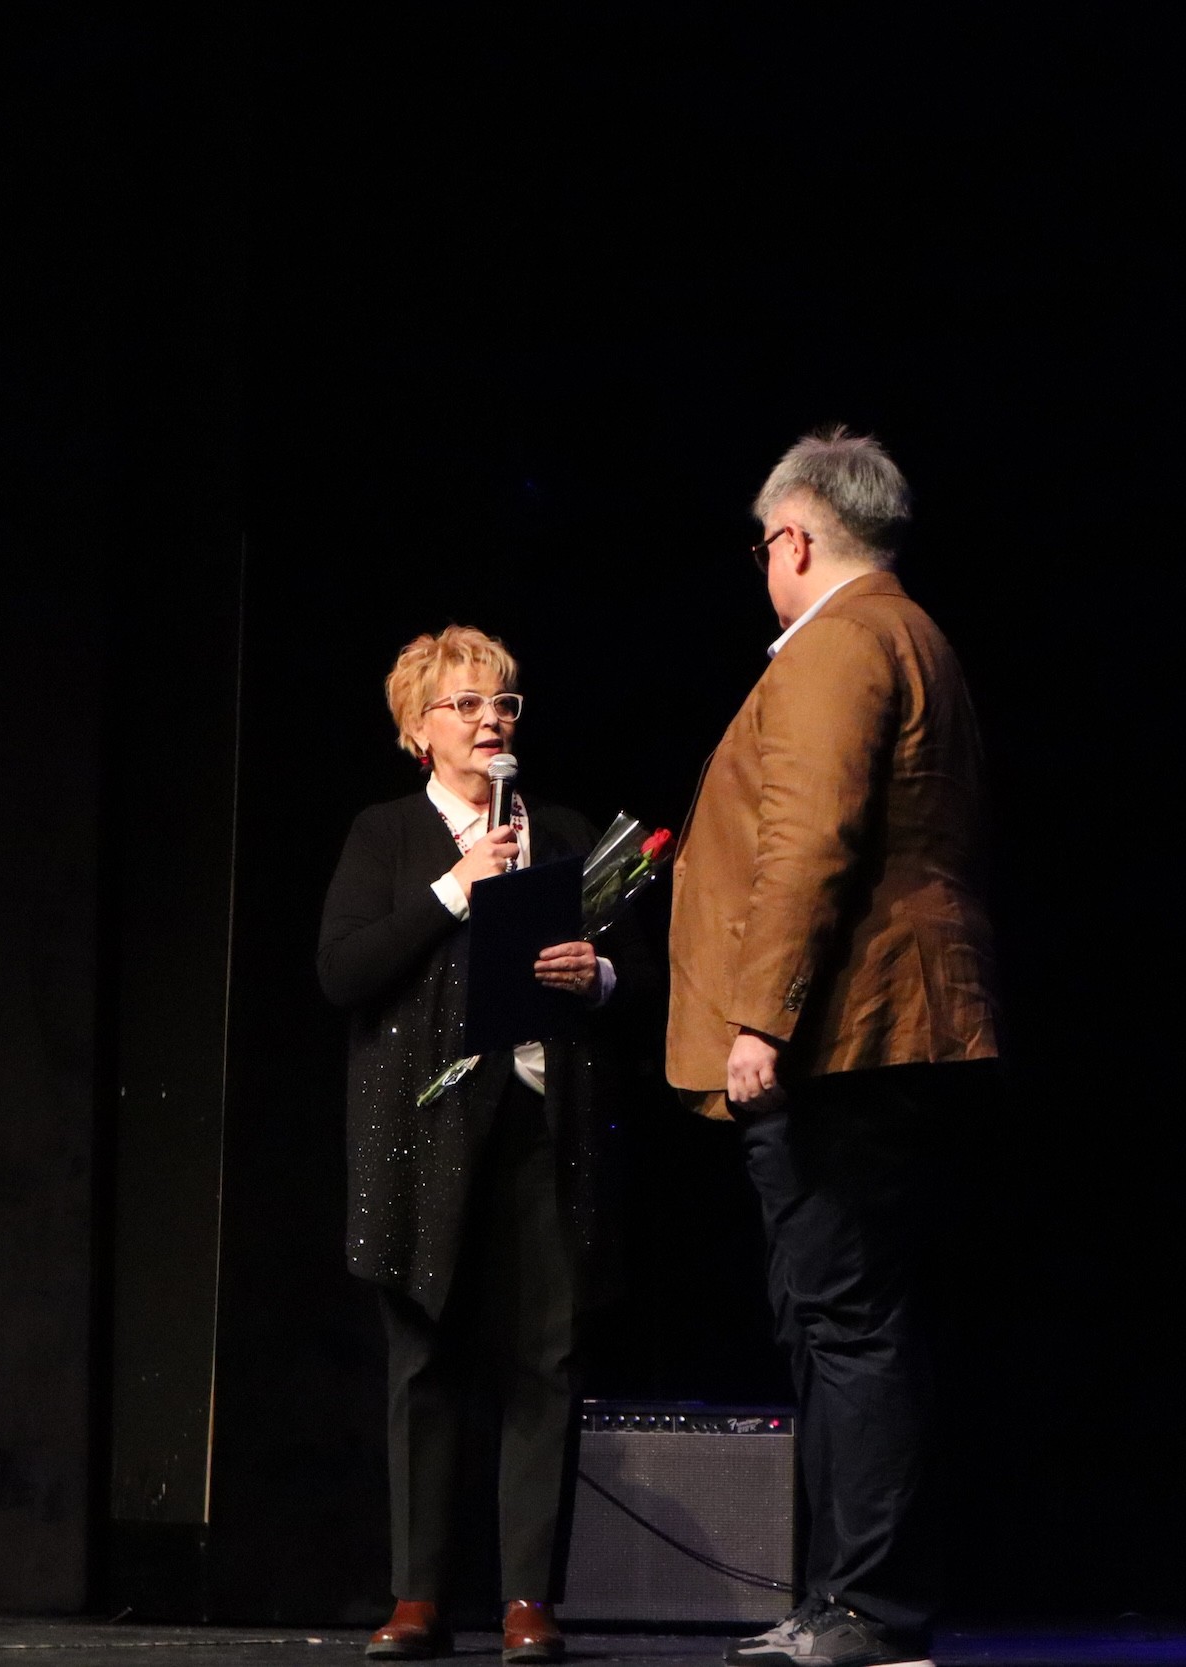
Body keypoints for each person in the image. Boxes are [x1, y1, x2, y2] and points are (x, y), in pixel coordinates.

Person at [666, 428, 1000, 1667]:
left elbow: (809, 837)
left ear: (793, 539)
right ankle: (843, 1597)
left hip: (845, 1035)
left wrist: (761, 1014)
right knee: (839, 1317)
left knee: (846, 1318)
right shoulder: (911, 632)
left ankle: (867, 1603)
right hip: (884, 1025)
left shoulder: (841, 642)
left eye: (766, 547)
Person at [319, 625, 626, 1665]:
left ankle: (529, 1598)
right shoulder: (388, 835)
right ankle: (418, 1597)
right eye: (465, 704)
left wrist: (598, 976)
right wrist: (457, 886)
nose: (490, 719)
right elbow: (343, 970)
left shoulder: (563, 830)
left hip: (541, 1122)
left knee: (546, 1358)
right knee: (425, 1360)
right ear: (418, 730)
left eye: (502, 702)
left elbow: (634, 974)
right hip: (423, 1132)